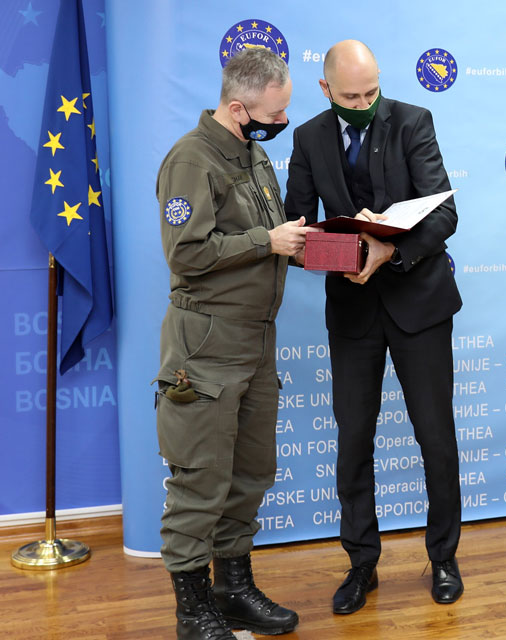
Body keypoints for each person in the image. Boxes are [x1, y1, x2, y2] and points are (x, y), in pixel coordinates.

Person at [284, 40, 463, 612]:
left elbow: (445, 213)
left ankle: (443, 558)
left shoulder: (413, 121)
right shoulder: (309, 137)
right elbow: (296, 235)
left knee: (436, 438)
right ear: (325, 89)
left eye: (370, 92)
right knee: (353, 439)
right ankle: (362, 564)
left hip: (420, 304)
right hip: (354, 312)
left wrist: (392, 251)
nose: (363, 103)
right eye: (350, 95)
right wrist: (349, 250)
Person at [155, 48, 308, 639]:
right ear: (239, 106)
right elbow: (186, 254)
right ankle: (193, 611)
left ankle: (232, 587)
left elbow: (270, 235)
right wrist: (264, 241)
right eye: (275, 110)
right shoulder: (191, 161)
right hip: (206, 346)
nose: (280, 119)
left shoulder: (255, 155)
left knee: (248, 473)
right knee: (201, 478)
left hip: (256, 342)